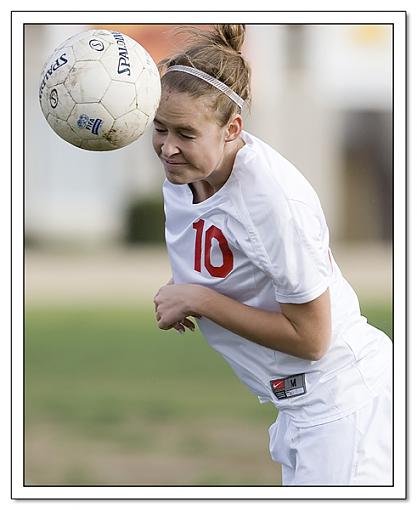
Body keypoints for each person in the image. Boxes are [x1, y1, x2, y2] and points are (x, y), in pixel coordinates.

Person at [152, 24, 392, 486]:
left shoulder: (272, 202)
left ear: (232, 130)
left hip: (344, 403)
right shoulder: (183, 175)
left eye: (185, 132)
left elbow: (313, 338)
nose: (167, 146)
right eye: (160, 128)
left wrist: (198, 300)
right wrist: (182, 289)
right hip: (299, 409)